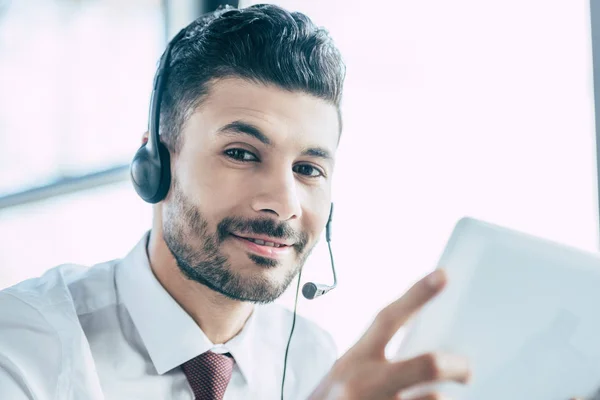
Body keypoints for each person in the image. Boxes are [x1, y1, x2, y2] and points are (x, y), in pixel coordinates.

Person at [0, 4, 473, 399]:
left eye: (308, 169)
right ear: (157, 162)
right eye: (242, 154)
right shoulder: (23, 346)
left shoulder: (315, 362)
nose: (283, 204)